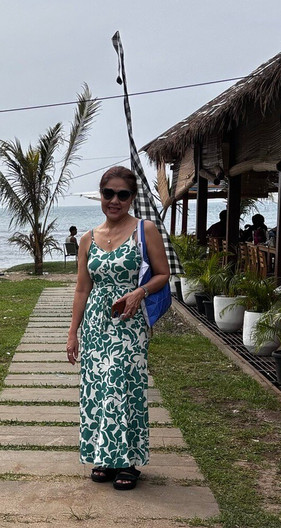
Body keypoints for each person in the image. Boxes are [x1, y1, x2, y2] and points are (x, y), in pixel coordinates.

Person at [65, 166, 169, 492]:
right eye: (108, 193)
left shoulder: (144, 230)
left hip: (129, 322)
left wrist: (140, 292)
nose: (115, 200)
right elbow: (82, 288)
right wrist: (73, 332)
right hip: (96, 324)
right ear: (101, 195)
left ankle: (128, 462)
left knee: (123, 386)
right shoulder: (88, 239)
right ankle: (106, 456)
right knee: (98, 388)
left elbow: (163, 274)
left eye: (122, 195)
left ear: (132, 197)